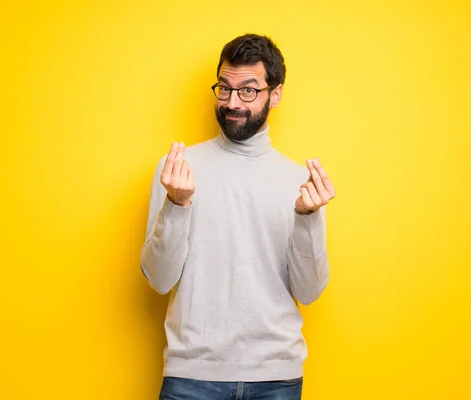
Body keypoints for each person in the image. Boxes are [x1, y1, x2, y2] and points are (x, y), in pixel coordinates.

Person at [141, 33, 335, 400]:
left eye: (248, 90)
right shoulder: (177, 170)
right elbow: (159, 280)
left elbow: (309, 292)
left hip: (276, 379)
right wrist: (177, 205)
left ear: (274, 94)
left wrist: (307, 218)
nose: (232, 103)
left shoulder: (299, 182)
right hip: (191, 377)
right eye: (224, 89)